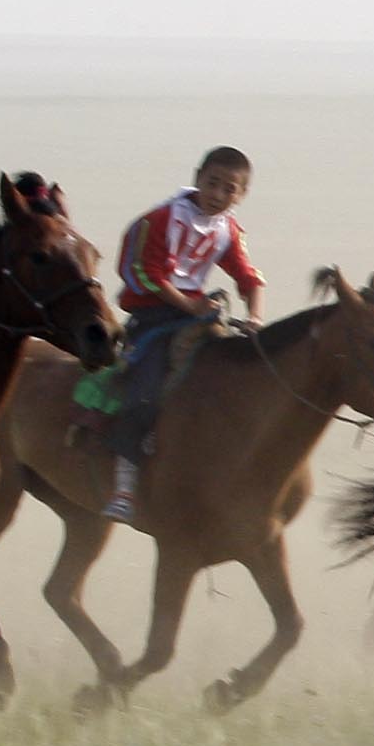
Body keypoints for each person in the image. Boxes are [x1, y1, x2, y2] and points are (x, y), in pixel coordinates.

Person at [102, 148, 268, 522]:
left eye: (230, 189)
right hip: (154, 316)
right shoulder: (160, 220)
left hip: (196, 316)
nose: (219, 194)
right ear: (197, 177)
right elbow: (143, 273)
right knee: (143, 395)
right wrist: (188, 305)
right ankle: (124, 485)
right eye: (212, 183)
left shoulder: (228, 230)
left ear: (241, 195)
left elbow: (248, 277)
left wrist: (254, 317)